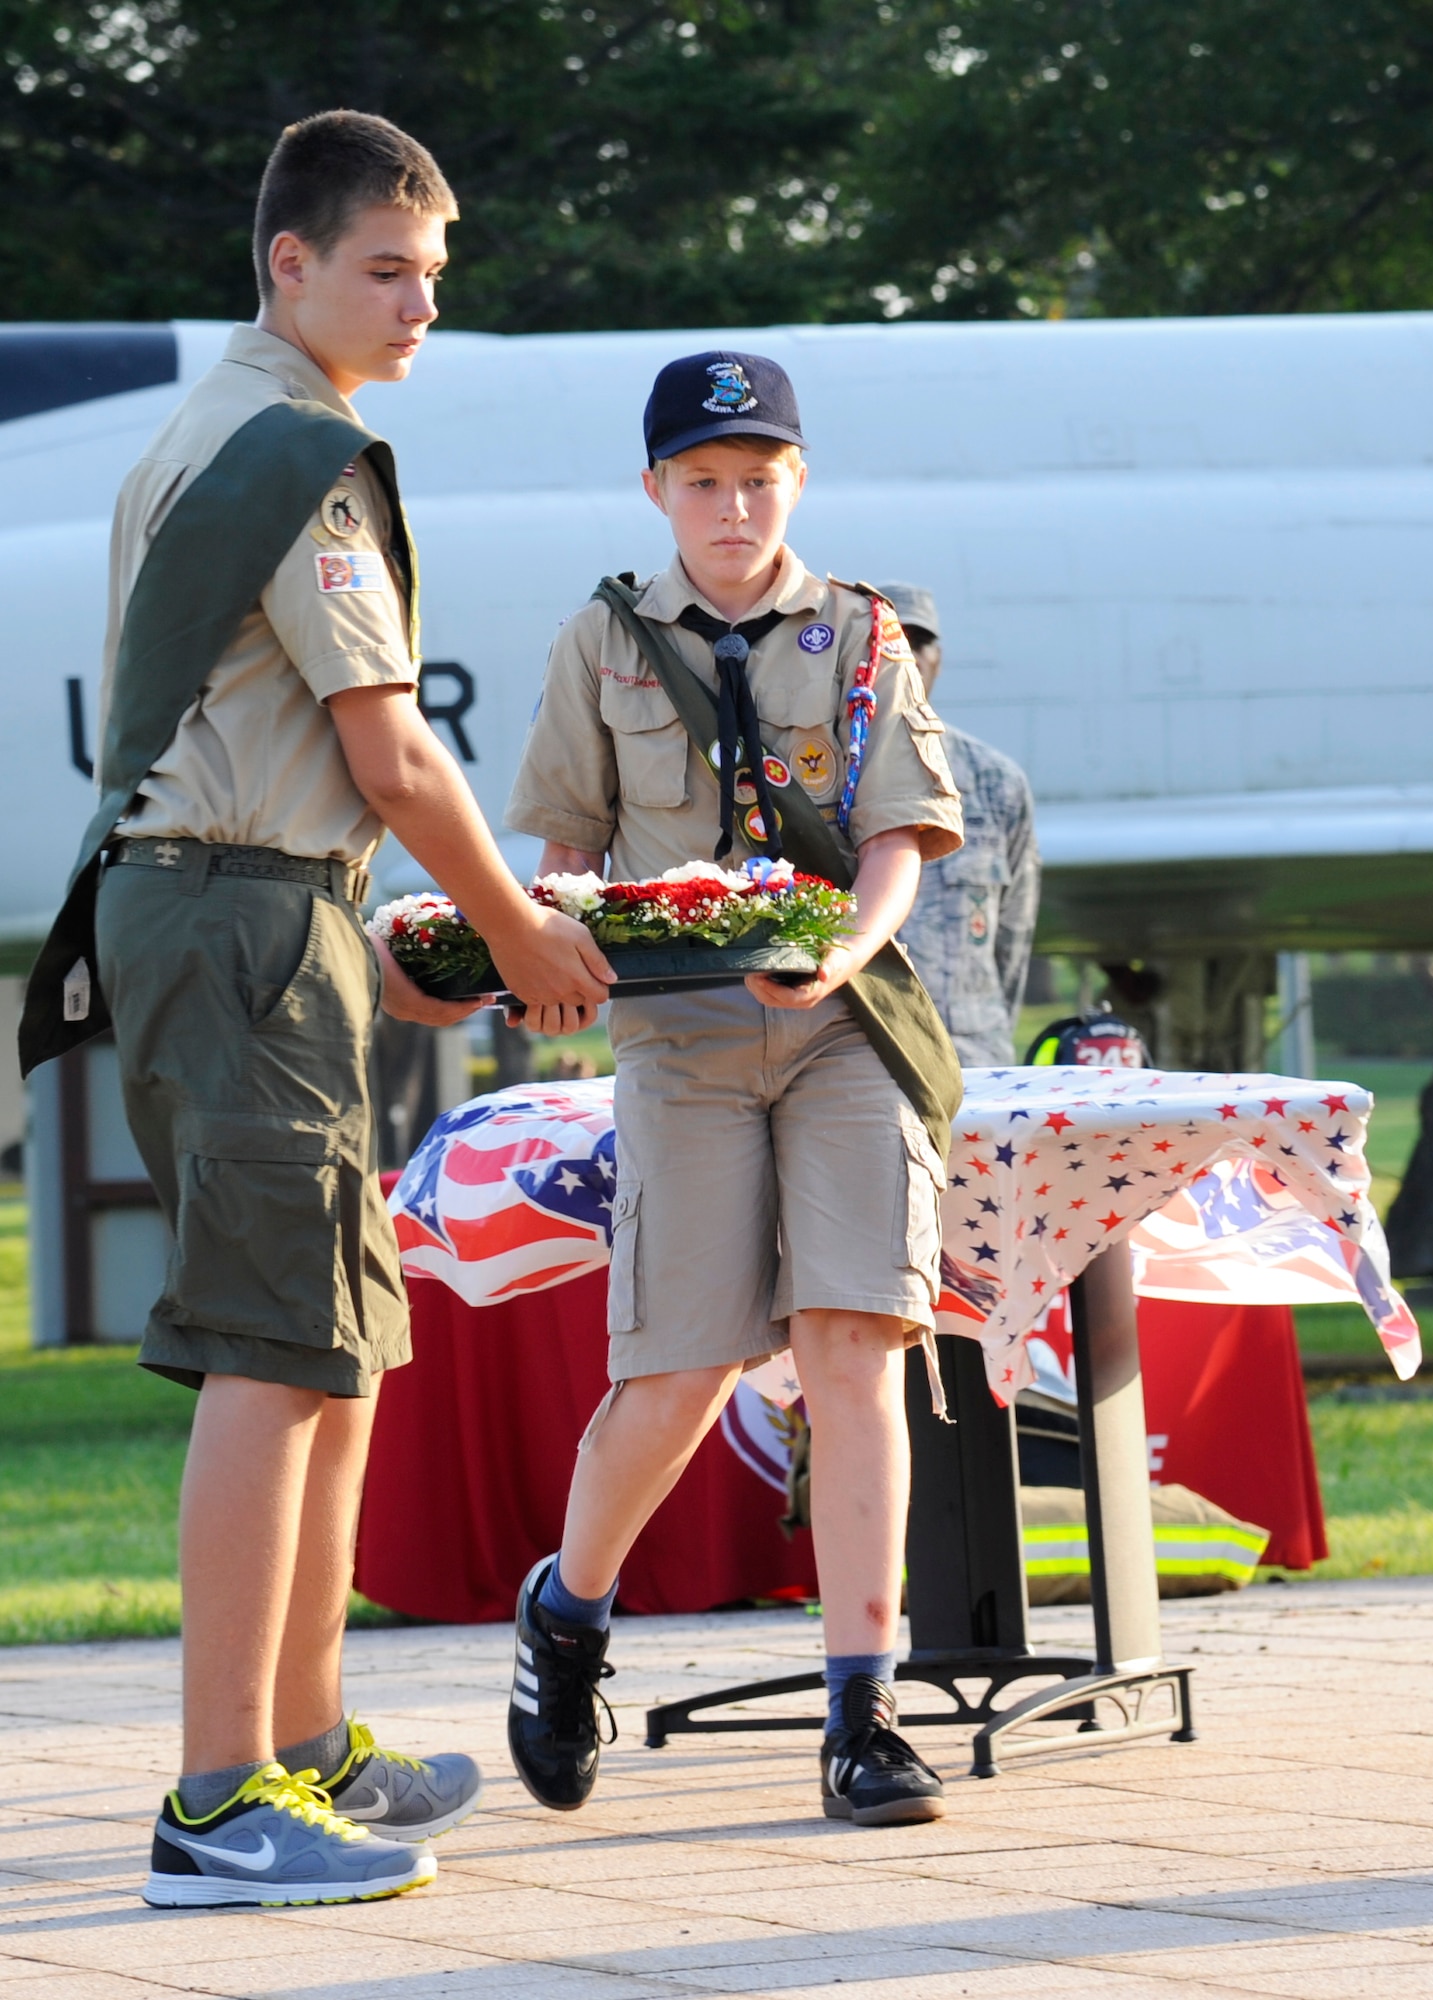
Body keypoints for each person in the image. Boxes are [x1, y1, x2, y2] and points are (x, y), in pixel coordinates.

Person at [22, 111, 610, 1910]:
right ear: (288, 263)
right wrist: (516, 926)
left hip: (258, 913)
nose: (418, 302)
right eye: (383, 268)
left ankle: (304, 1736)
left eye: (433, 273)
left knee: (335, 1337)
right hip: (243, 918)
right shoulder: (295, 449)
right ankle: (217, 1800)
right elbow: (385, 744)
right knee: (275, 1349)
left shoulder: (219, 434)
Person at [503, 351, 966, 1827]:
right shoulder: (604, 638)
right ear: (655, 490)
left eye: (758, 474)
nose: (731, 502)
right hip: (682, 1042)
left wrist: (843, 955)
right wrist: (559, 928)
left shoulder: (858, 634)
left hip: (840, 1027)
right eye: (701, 478)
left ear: (797, 482)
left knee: (853, 1347)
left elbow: (900, 829)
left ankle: (862, 1707)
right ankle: (566, 1618)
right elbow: (559, 841)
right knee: (680, 1370)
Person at [884, 583, 1040, 1067]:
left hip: (972, 1058)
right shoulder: (819, 781)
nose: (906, 656)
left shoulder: (995, 783)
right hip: (866, 1058)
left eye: (919, 643)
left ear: (938, 659)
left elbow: (1012, 939)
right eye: (890, 641)